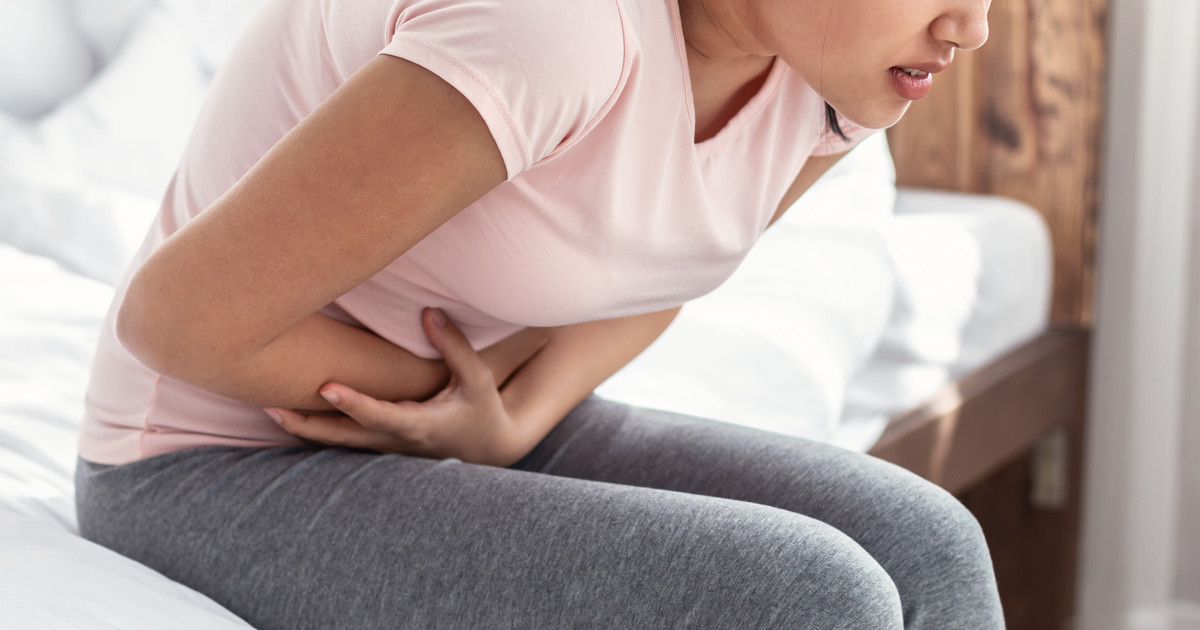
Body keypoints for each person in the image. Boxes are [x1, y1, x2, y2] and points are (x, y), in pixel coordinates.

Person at [75, 0, 1003, 627]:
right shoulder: (554, 28)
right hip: (208, 459)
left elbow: (669, 263)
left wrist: (514, 416)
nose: (972, 26)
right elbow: (176, 322)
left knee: (930, 546)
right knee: (812, 600)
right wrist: (463, 397)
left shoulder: (837, 77)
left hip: (459, 427)